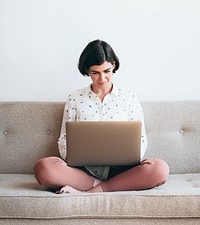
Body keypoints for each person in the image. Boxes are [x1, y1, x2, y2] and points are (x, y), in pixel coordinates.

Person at [34, 39, 169, 194]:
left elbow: (141, 140)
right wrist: (77, 156)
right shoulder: (75, 98)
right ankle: (100, 186)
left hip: (123, 172)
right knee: (43, 168)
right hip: (84, 173)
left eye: (107, 71)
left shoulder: (128, 97)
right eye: (95, 73)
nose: (102, 79)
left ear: (114, 66)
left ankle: (89, 191)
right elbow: (64, 140)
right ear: (87, 71)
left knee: (160, 169)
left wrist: (129, 156)